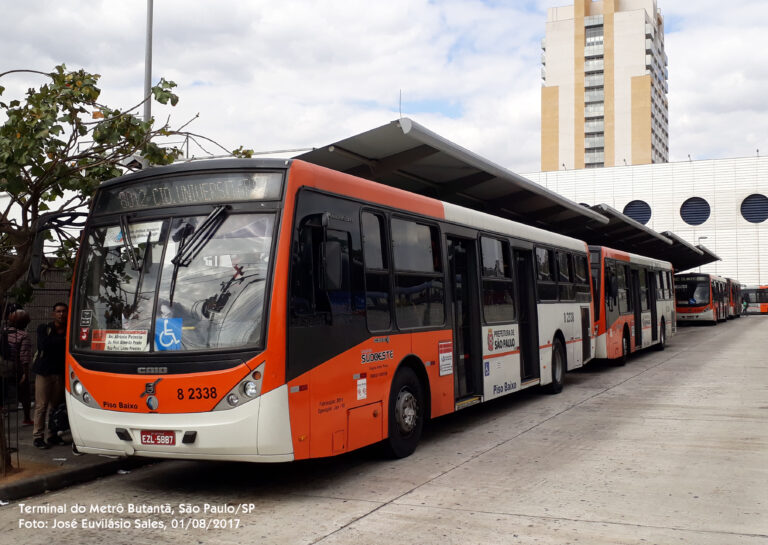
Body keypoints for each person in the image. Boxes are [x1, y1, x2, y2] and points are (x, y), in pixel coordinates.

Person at [32, 302, 68, 449]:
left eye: (63, 311)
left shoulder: (69, 330)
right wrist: (62, 341)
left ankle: (52, 435)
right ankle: (38, 437)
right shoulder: (44, 328)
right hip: (44, 373)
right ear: (53, 313)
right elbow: (43, 345)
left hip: (59, 373)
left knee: (55, 407)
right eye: (58, 311)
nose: (61, 314)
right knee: (41, 406)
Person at [4, 309, 33, 425]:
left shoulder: (4, 331)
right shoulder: (24, 335)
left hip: (3, 367)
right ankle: (27, 418)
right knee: (25, 393)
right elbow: (24, 356)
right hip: (17, 369)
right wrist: (25, 373)